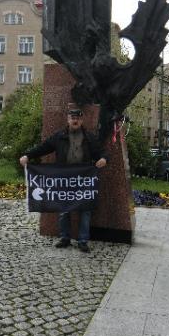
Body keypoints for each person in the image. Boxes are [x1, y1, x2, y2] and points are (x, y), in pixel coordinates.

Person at [19, 108, 107, 252]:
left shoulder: (89, 137)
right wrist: (27, 156)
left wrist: (104, 158)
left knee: (85, 210)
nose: (75, 120)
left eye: (78, 118)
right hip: (63, 179)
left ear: (82, 120)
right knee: (63, 209)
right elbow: (44, 147)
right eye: (72, 118)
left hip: (83, 179)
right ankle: (65, 237)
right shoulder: (59, 136)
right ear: (68, 119)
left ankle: (83, 240)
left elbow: (101, 152)